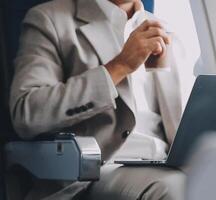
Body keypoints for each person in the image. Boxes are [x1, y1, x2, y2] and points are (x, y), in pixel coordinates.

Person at [9, 0, 185, 199]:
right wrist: (119, 67)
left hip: (166, 163)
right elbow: (27, 112)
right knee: (176, 188)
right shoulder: (49, 20)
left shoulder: (166, 31)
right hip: (96, 171)